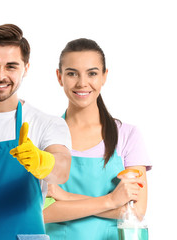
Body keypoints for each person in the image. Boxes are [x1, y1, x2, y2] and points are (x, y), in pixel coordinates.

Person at [0, 24, 72, 239]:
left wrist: (41, 161)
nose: (1, 76)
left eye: (11, 66)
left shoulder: (45, 123)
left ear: (26, 68)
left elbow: (62, 169)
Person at [43, 38, 150, 239]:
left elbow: (135, 212)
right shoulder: (45, 135)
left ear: (104, 76)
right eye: (72, 73)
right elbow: (42, 212)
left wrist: (65, 197)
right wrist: (111, 201)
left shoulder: (127, 136)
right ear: (59, 77)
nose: (82, 83)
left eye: (92, 73)